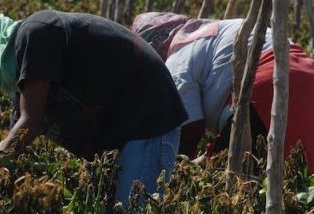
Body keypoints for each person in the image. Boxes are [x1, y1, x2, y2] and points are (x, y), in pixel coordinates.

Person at [0, 8, 188, 205]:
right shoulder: (22, 85)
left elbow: (30, 123)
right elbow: (16, 145)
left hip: (148, 122)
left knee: (133, 208)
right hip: (119, 138)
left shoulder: (36, 33)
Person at [131, 12, 314, 173]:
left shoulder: (177, 57)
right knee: (302, 170)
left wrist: (178, 168)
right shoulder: (211, 30)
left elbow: (188, 128)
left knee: (223, 173)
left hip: (266, 86)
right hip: (305, 72)